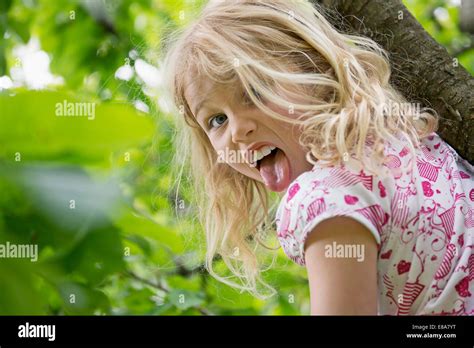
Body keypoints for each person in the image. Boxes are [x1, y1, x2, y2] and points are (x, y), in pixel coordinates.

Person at [161, 0, 473, 315]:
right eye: (217, 120)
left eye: (255, 91)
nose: (238, 132)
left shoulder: (321, 197)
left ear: (315, 68)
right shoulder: (407, 137)